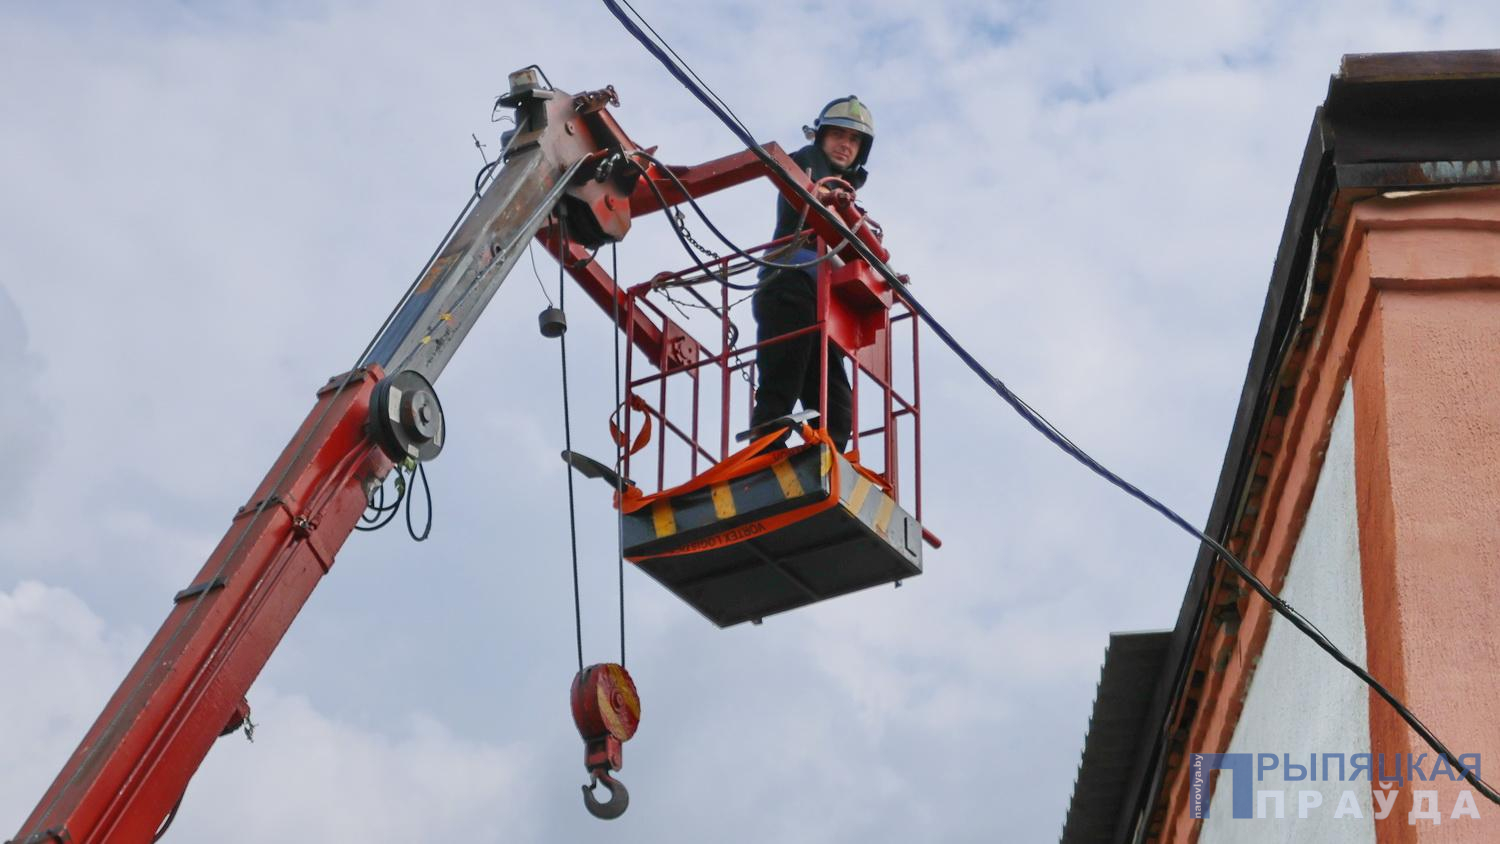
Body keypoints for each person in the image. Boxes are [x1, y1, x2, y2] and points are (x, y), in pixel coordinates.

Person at [749, 95, 874, 453]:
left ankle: (824, 459)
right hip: (788, 285)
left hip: (821, 304)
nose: (845, 145)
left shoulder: (845, 197)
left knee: (836, 405)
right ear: (820, 137)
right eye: (838, 135)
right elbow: (807, 193)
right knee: (782, 381)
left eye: (854, 141)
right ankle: (765, 450)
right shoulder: (805, 166)